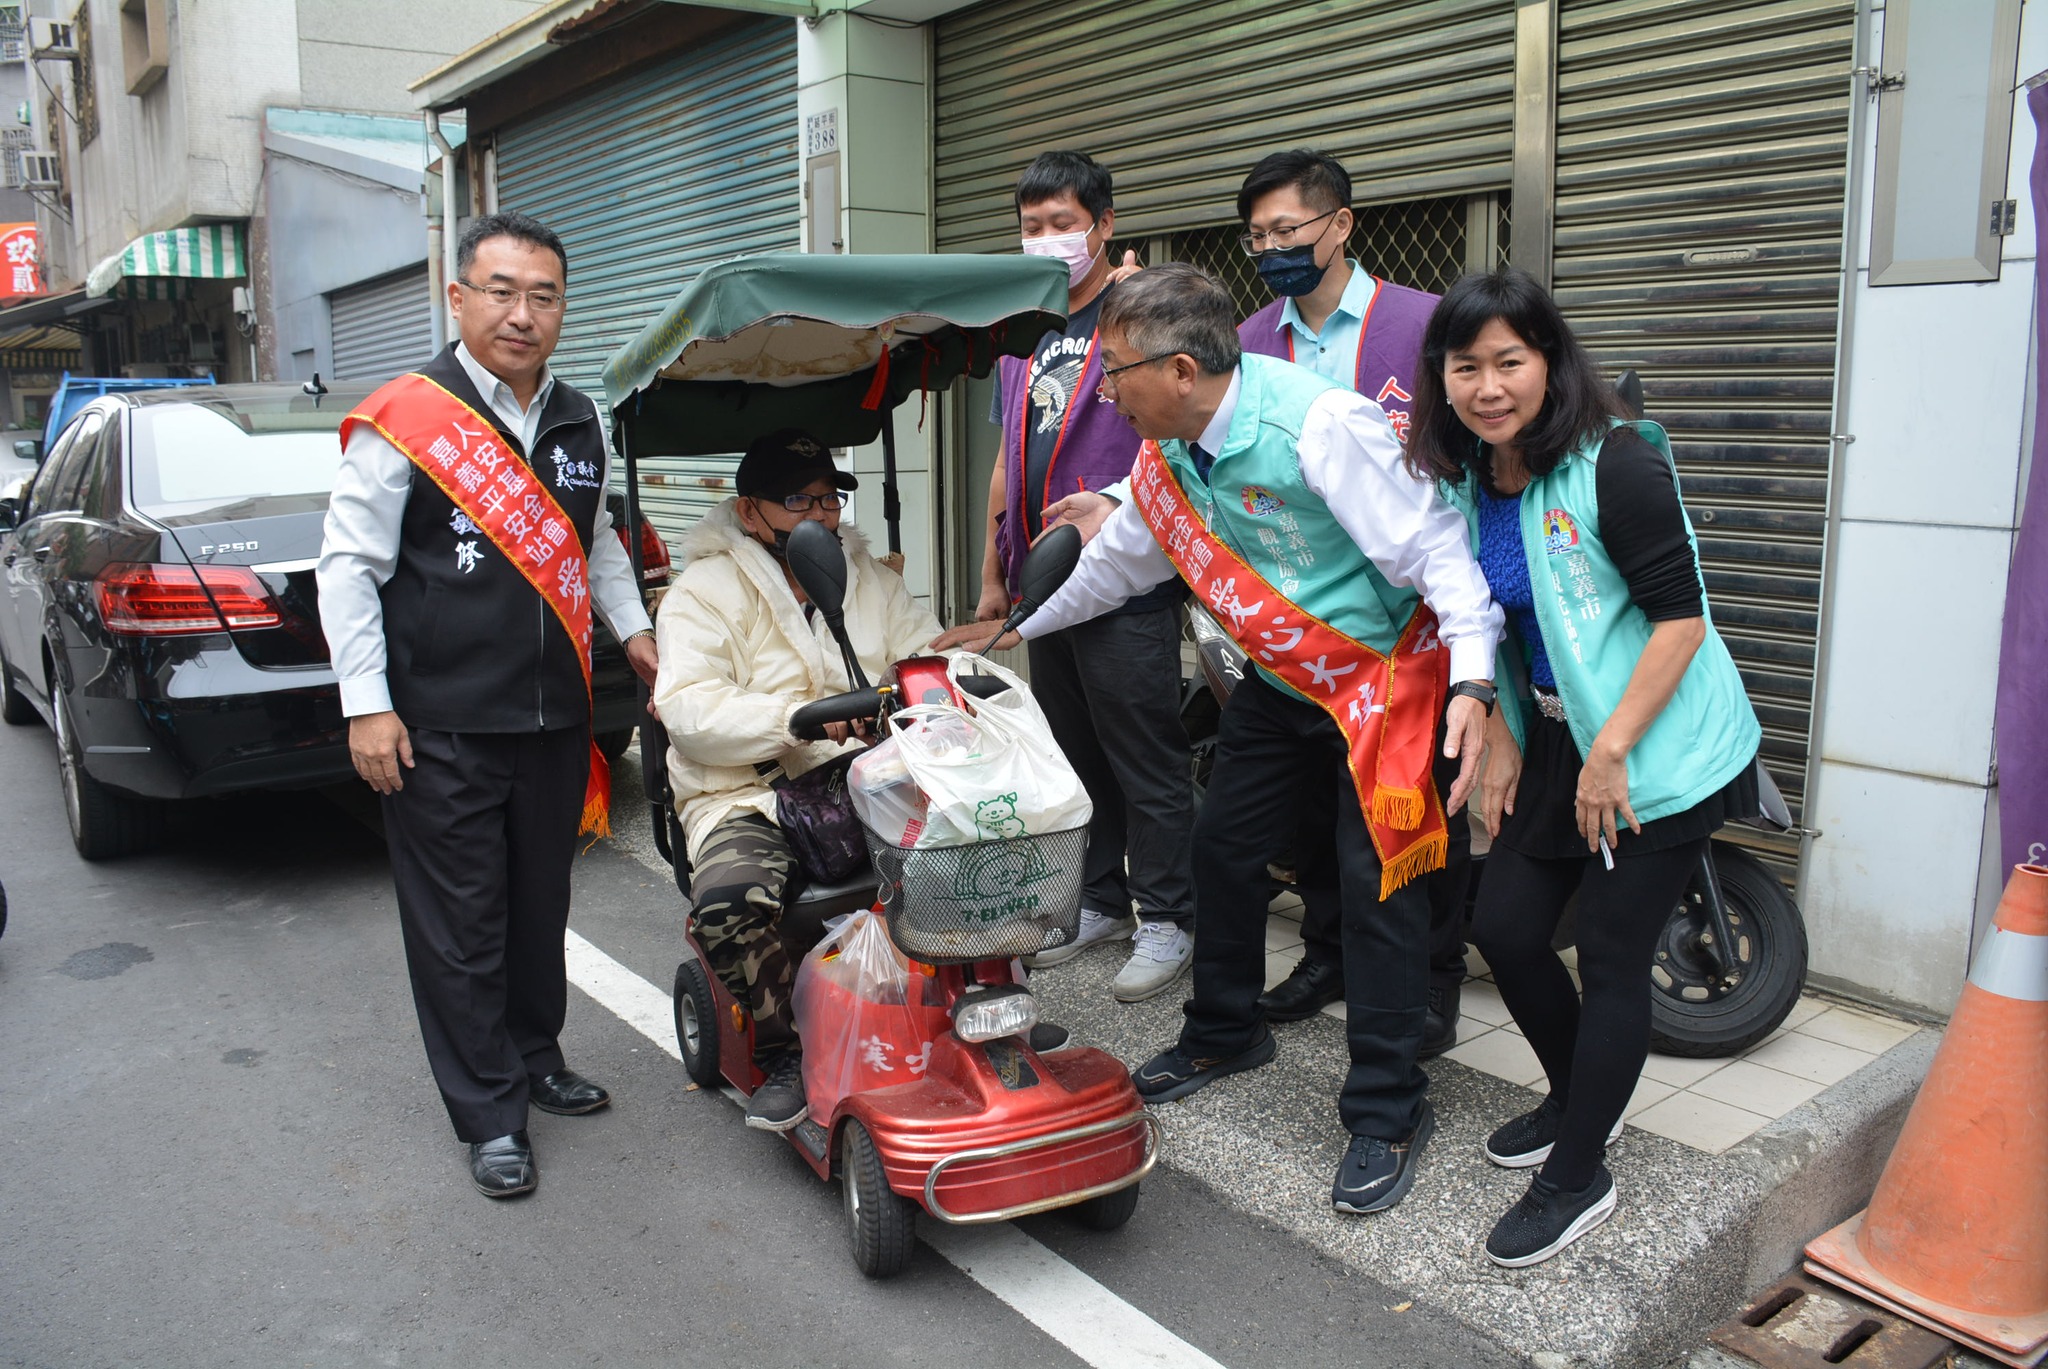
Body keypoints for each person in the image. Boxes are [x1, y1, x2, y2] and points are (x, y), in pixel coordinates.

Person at [939, 264, 1502, 1215]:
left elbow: (1437, 551)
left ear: (1185, 369)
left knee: (1379, 893)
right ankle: (1224, 1029)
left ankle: (1388, 1106)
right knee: (1222, 848)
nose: (1103, 390)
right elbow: (1114, 568)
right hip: (1287, 684)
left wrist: (1477, 682)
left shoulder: (1319, 427)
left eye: (1116, 370)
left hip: (1384, 680)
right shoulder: (1167, 456)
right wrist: (1008, 635)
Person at [1406, 267, 1761, 1266]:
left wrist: (1609, 754)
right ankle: (1579, 1104)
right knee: (1507, 928)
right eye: (1464, 365)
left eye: (1507, 361)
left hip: (1654, 744)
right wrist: (1508, 731)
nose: (1486, 386)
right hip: (1558, 733)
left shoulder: (1618, 463)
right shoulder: (1470, 478)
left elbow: (1680, 620)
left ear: (1548, 362)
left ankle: (1577, 1175)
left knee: (1607, 955)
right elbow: (1503, 627)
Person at [318, 211, 660, 1199]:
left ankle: (533, 1051)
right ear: (459, 297)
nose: (522, 313)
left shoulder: (577, 418)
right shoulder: (407, 418)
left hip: (555, 719)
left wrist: (632, 630)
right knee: (460, 921)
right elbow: (349, 569)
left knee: (536, 902)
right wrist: (366, 705)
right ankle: (488, 1111)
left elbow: (594, 548)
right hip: (442, 727)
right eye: (501, 291)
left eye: (543, 295)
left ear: (561, 309)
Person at [1230, 149, 1472, 1048]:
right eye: (1256, 236)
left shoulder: (1424, 324)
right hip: (1304, 635)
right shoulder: (1252, 340)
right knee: (1310, 813)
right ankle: (1328, 949)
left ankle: (1432, 981)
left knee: (1416, 814)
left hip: (1415, 630)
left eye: (1286, 229)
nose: (1270, 248)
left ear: (1341, 224)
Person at [652, 429, 944, 1133]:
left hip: (868, 778)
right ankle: (788, 1046)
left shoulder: (868, 575)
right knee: (726, 902)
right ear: (750, 512)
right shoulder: (702, 592)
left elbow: (921, 651)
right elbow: (687, 709)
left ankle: (982, 1008)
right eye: (797, 500)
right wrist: (800, 721)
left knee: (987, 840)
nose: (820, 514)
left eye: (829, 497)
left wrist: (935, 675)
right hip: (746, 795)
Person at [976, 150, 1198, 1004]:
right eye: (1031, 227)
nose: (1046, 240)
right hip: (1043, 575)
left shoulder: (1136, 313)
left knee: (1143, 748)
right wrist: (997, 570)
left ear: (1104, 226)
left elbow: (1179, 429)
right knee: (1076, 750)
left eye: (1062, 224)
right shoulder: (1019, 324)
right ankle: (1102, 895)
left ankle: (1169, 915)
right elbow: (1007, 454)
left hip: (1123, 575)